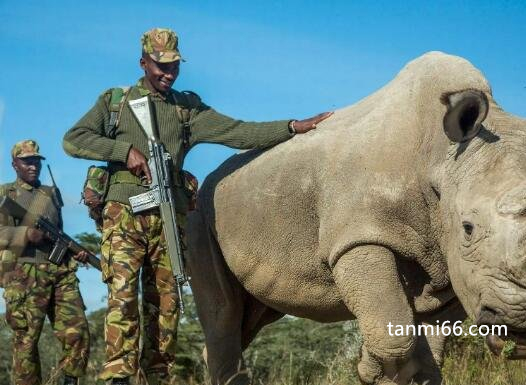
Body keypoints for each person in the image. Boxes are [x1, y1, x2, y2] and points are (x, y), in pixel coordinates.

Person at [62, 28, 332, 385]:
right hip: (124, 214)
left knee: (166, 304)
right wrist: (123, 152)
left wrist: (293, 127)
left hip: (170, 218)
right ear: (143, 62)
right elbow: (73, 139)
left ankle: (157, 375)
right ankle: (119, 376)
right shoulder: (116, 102)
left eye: (173, 66)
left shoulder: (186, 108)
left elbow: (238, 131)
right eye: (160, 66)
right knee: (123, 296)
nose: (168, 74)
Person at [0, 140, 90, 385]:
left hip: (60, 272)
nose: (33, 166)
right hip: (24, 273)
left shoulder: (50, 194)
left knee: (78, 332)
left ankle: (70, 380)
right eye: (27, 161)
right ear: (14, 164)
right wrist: (24, 234)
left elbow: (59, 234)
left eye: (36, 161)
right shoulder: (5, 193)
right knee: (26, 341)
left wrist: (75, 253)